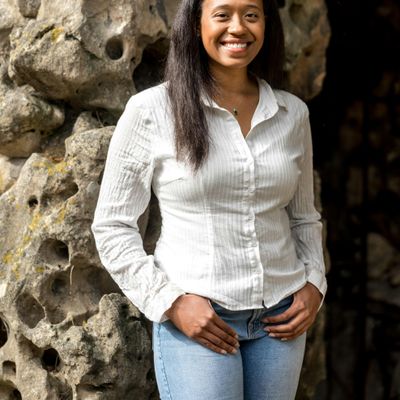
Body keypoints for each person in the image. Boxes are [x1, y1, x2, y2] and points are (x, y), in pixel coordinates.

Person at [91, 0, 327, 398]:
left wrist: (314, 284)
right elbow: (113, 226)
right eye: (222, 15)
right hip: (198, 319)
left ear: (266, 24)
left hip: (281, 319)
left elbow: (303, 217)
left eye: (251, 15)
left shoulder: (292, 114)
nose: (238, 27)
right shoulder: (152, 110)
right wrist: (171, 302)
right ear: (195, 24)